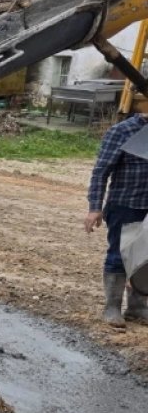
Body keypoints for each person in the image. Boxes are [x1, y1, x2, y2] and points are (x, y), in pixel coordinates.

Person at [86, 108, 148, 328]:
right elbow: (101, 170)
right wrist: (95, 207)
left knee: (144, 259)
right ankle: (112, 307)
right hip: (125, 205)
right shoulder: (122, 131)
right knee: (119, 257)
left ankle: (138, 307)